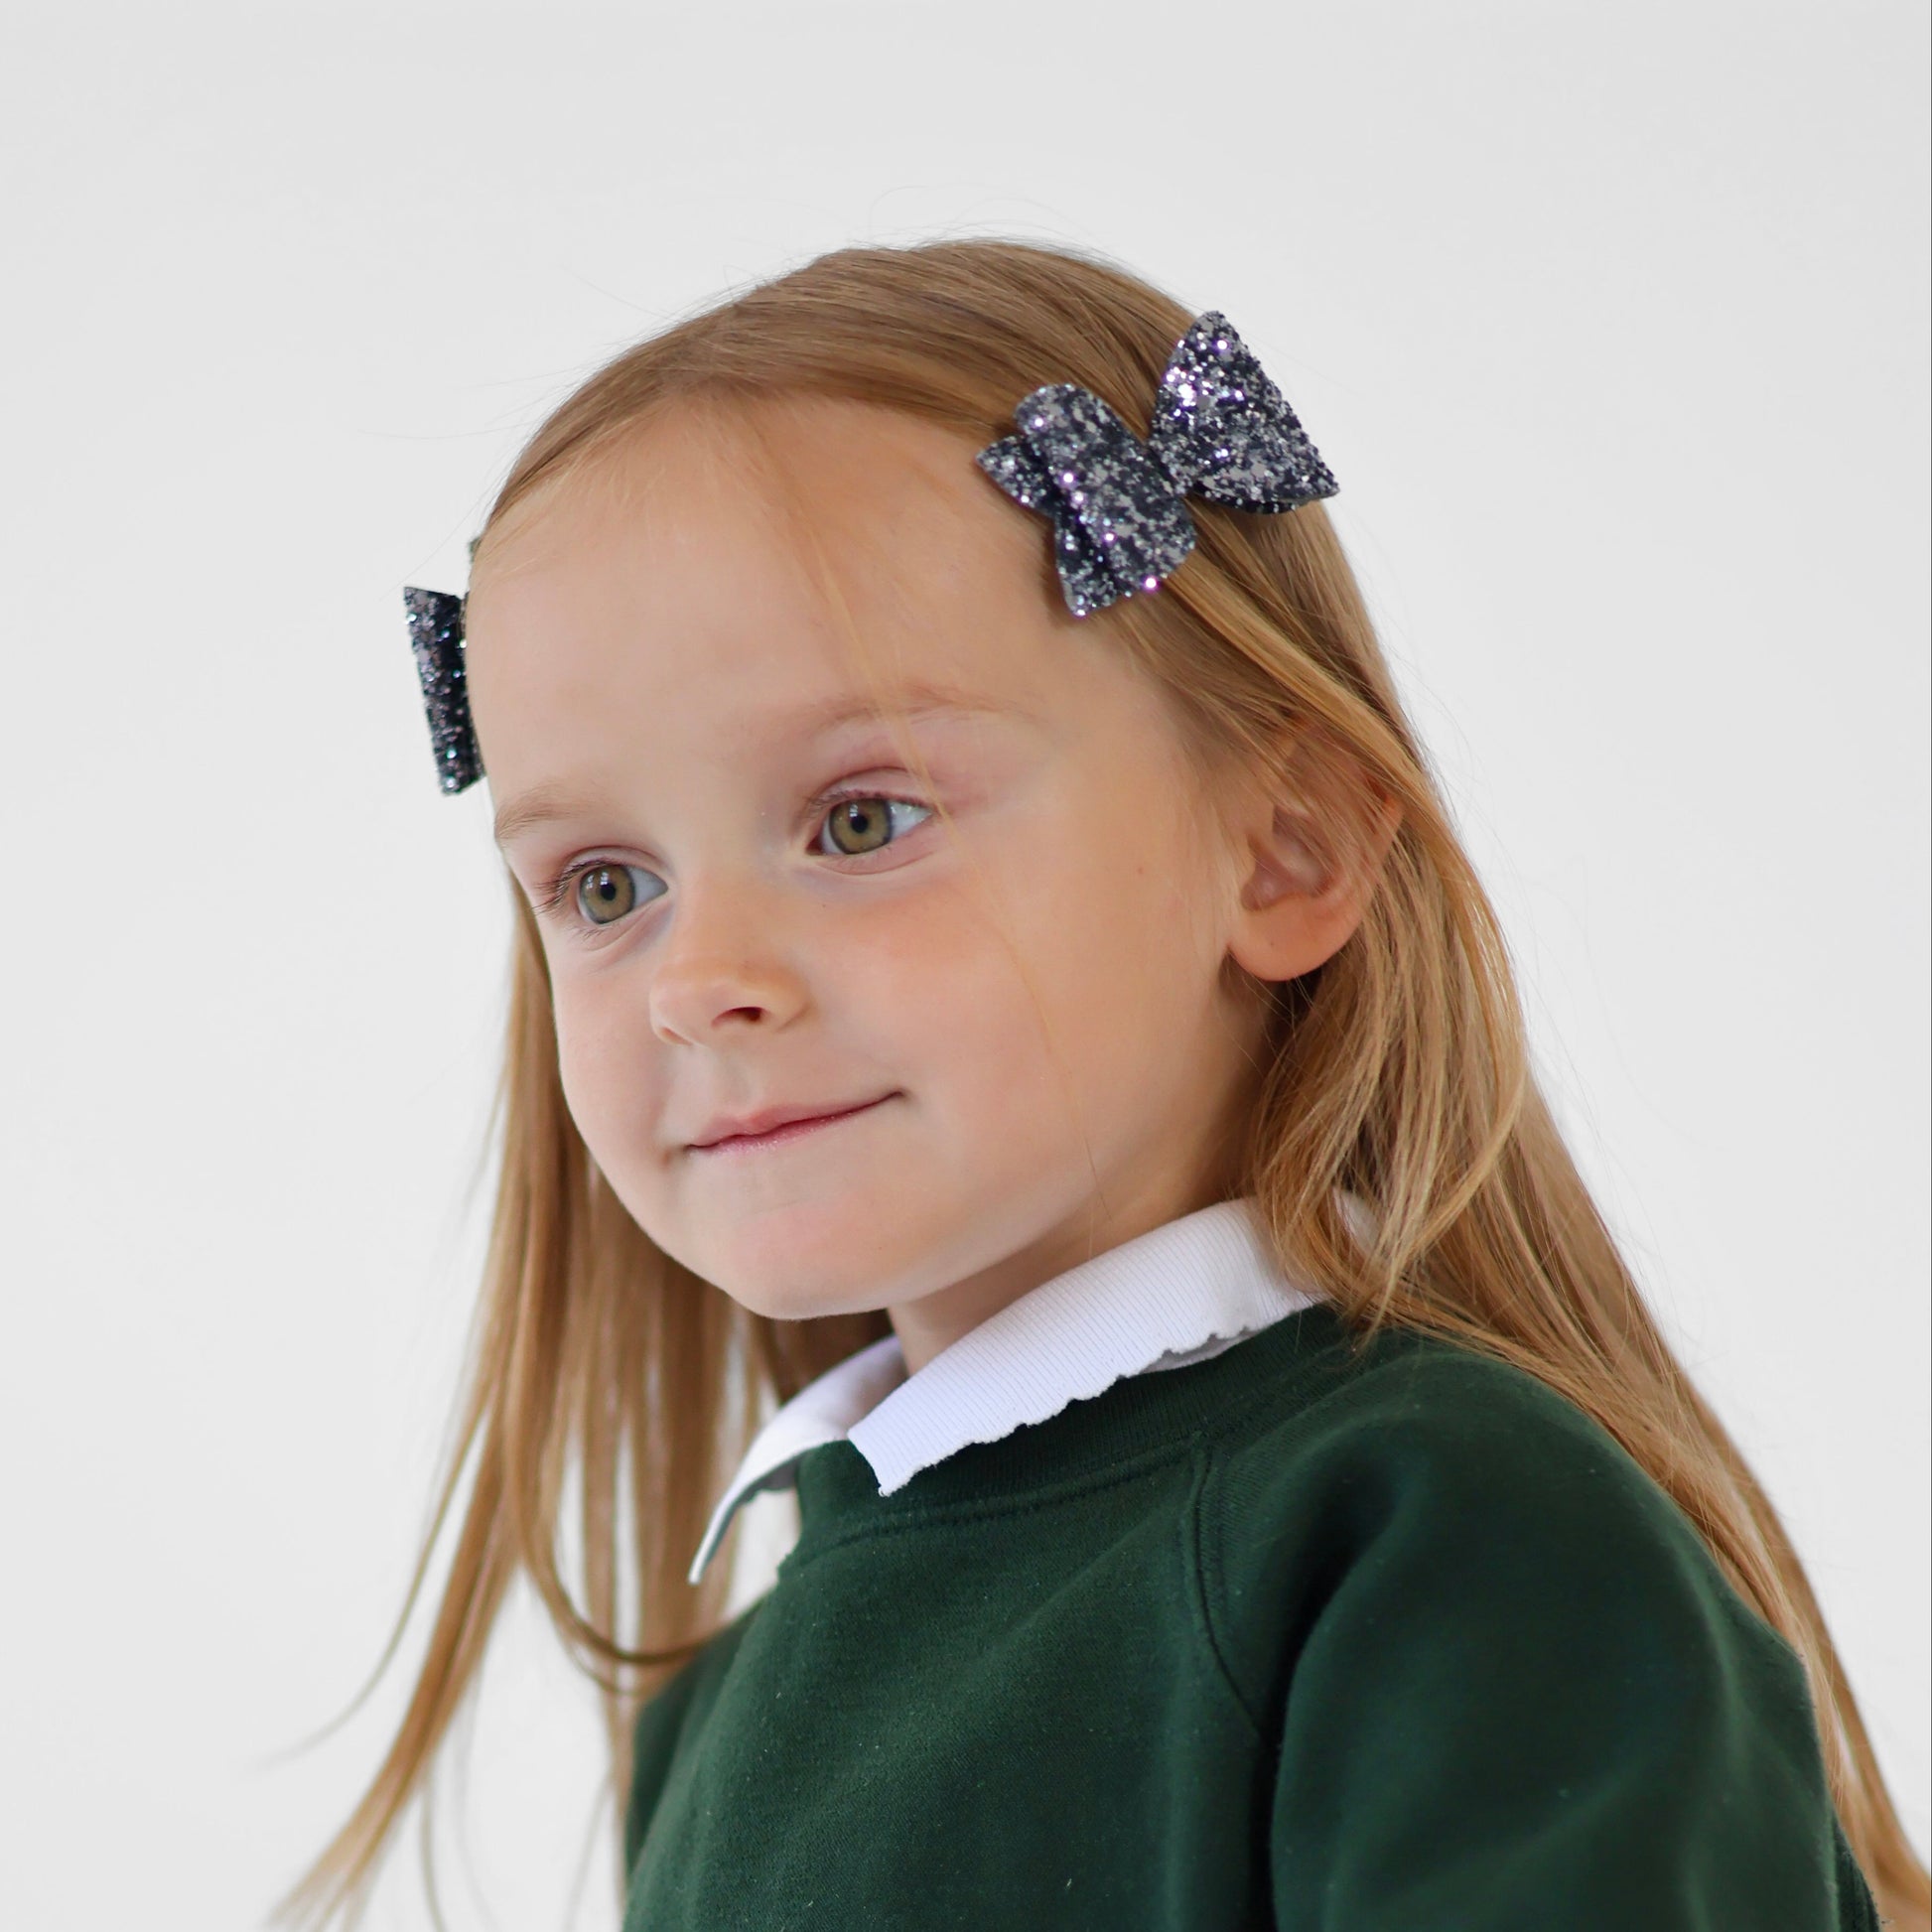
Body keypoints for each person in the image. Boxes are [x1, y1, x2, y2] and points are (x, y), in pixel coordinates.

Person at [277, 238, 1929, 1930]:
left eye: (862, 819)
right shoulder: (722, 1706)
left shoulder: (1434, 1530)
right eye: (607, 887)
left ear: (1280, 849)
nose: (701, 984)